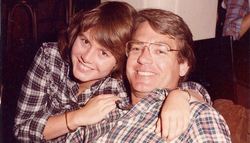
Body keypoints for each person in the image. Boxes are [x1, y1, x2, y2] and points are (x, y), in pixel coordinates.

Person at [13, 2, 211, 142]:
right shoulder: (50, 57)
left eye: (104, 52)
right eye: (85, 41)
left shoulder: (120, 84)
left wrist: (180, 95)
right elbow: (21, 130)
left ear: (120, 59)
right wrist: (77, 117)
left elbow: (178, 85)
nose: (87, 57)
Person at [66, 9, 231, 142]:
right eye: (137, 48)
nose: (143, 58)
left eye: (160, 50)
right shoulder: (103, 110)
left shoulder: (196, 115)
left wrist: (181, 95)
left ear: (183, 66)